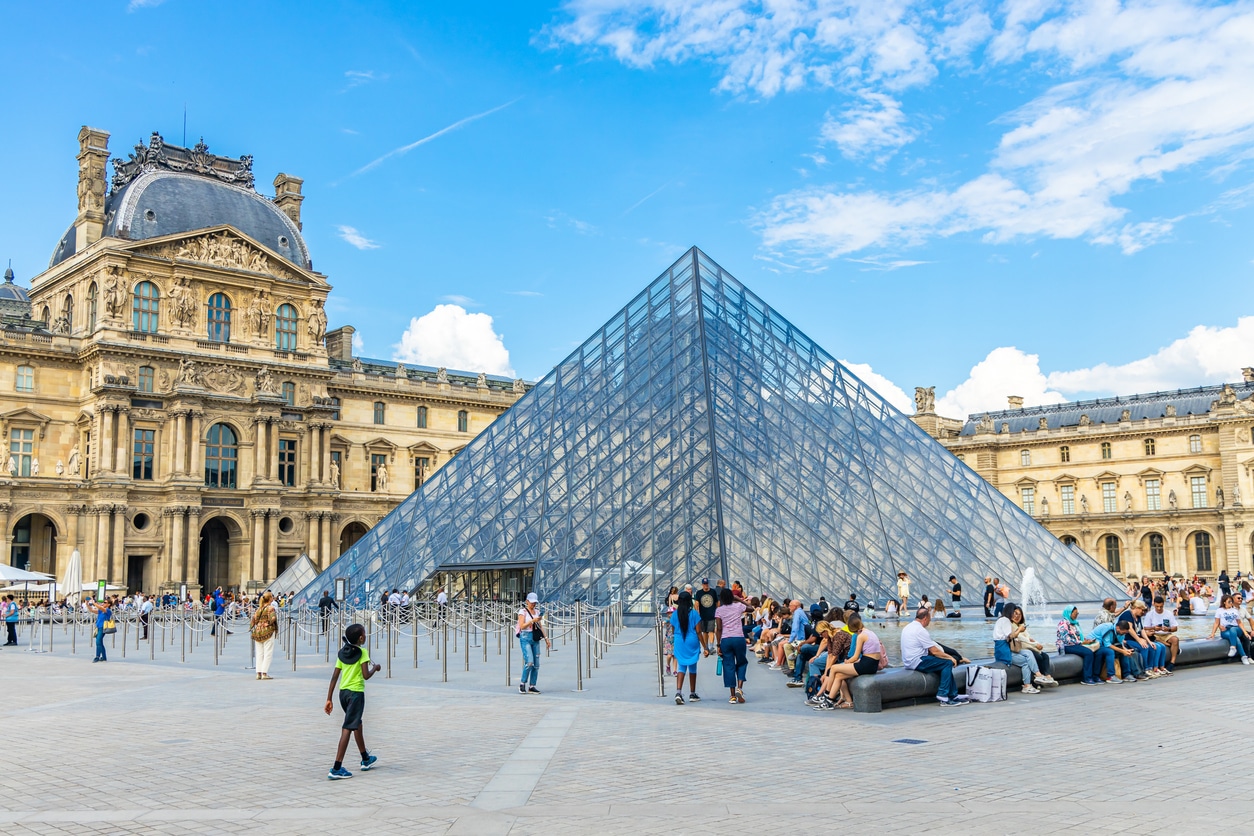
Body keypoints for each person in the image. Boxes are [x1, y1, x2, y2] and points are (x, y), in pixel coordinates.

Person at [324, 623, 381, 779]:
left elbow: (335, 676)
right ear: (361, 638)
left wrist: (329, 698)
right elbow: (365, 675)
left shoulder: (343, 653)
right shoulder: (362, 652)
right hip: (356, 694)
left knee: (357, 724)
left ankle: (365, 758)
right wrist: (375, 668)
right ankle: (336, 767)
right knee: (348, 727)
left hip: (343, 694)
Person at [813, 613, 882, 710]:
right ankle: (830, 701)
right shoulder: (870, 632)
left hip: (866, 664)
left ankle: (826, 694)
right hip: (872, 664)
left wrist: (847, 662)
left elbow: (855, 656)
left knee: (834, 668)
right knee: (838, 676)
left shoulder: (861, 636)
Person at [901, 608, 966, 706]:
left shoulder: (908, 627)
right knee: (947, 663)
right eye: (930, 619)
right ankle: (943, 695)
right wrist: (950, 657)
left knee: (942, 664)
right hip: (918, 661)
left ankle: (953, 694)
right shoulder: (920, 630)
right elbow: (935, 651)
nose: (929, 622)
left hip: (909, 660)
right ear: (925, 618)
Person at [993, 604, 1055, 693]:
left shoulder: (1002, 620)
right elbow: (1011, 636)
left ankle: (1038, 675)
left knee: (1028, 653)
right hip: (1004, 652)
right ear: (1009, 611)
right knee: (1025, 662)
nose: (1015, 615)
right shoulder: (1005, 620)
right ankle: (1027, 685)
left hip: (1006, 649)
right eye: (1014, 613)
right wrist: (1019, 630)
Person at [713, 588, 749, 704]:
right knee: (742, 662)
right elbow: (752, 608)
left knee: (728, 665)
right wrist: (739, 599)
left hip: (726, 639)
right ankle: (740, 688)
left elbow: (718, 628)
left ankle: (732, 695)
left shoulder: (719, 610)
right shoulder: (738, 606)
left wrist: (718, 644)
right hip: (738, 638)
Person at [1118, 599, 1168, 677]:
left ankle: (1151, 668)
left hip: (1135, 639)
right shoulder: (1127, 614)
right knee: (1144, 647)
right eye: (1142, 610)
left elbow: (1142, 630)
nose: (1143, 612)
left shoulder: (1138, 617)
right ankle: (1144, 669)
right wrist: (1139, 640)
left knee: (1151, 646)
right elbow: (1130, 629)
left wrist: (1149, 641)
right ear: (1137, 608)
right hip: (1127, 640)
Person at [1056, 607, 1103, 685]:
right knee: (1088, 653)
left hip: (1076, 644)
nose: (1076, 615)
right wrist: (1082, 642)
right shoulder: (1063, 624)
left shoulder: (1074, 623)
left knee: (1098, 651)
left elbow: (1077, 636)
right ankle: (1086, 678)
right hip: (1066, 646)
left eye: (1077, 613)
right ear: (1069, 613)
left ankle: (1095, 676)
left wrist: (1087, 640)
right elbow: (1067, 640)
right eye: (1075, 613)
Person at [670, 591, 702, 704]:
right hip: (692, 641)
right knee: (693, 667)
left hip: (680, 641)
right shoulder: (694, 614)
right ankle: (692, 693)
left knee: (681, 667)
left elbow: (673, 630)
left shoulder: (675, 614)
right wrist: (705, 646)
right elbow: (698, 631)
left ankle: (678, 692)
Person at [516, 592, 552, 693]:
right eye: (531, 602)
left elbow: (540, 626)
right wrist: (532, 621)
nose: (533, 604)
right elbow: (522, 626)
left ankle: (532, 685)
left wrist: (546, 638)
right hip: (525, 637)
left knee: (536, 664)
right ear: (527, 601)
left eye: (535, 603)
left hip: (535, 638)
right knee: (529, 662)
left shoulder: (536, 612)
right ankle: (522, 683)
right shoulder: (522, 612)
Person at [1207, 594, 1251, 663]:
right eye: (1229, 602)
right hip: (1225, 630)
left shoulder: (1234, 610)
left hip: (1236, 629)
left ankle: (1233, 647)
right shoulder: (1219, 610)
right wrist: (1213, 633)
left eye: (1231, 601)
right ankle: (1244, 657)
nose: (1231, 603)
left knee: (1233, 630)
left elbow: (1239, 623)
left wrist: (1245, 632)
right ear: (1224, 602)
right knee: (1236, 639)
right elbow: (1216, 623)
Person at [1143, 595, 1180, 670]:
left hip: (1166, 634)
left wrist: (1168, 629)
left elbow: (1175, 628)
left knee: (1175, 639)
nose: (1159, 608)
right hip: (1155, 634)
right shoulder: (1150, 614)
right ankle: (1171, 646)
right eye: (1157, 606)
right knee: (1155, 638)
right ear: (1154, 604)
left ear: (1163, 604)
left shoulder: (1168, 613)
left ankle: (1172, 662)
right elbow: (1145, 628)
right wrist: (1154, 628)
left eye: (1161, 606)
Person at [251, 591, 279, 680]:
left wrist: (257, 625)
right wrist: (268, 623)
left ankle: (258, 673)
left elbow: (253, 620)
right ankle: (264, 673)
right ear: (270, 598)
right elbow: (273, 618)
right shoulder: (271, 608)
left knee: (259, 653)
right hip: (268, 632)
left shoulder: (259, 609)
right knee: (268, 653)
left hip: (258, 632)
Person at [693, 579, 719, 656]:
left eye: (706, 584)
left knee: (711, 631)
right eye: (704, 584)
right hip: (703, 615)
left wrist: (717, 611)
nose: (706, 585)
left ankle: (711, 647)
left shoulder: (713, 592)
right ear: (702, 584)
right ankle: (706, 646)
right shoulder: (699, 593)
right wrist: (697, 612)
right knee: (704, 631)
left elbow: (717, 602)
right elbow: (697, 603)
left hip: (711, 614)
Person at [87, 596, 113, 662]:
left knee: (98, 641)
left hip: (103, 627)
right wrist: (87, 604)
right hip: (98, 626)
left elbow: (101, 608)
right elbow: (92, 610)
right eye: (103, 602)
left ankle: (97, 656)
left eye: (105, 602)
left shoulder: (107, 610)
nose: (103, 603)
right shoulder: (101, 610)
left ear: (108, 604)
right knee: (100, 642)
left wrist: (94, 603)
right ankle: (104, 657)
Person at [663, 586, 679, 676]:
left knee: (675, 655)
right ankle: (668, 665)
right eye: (669, 613)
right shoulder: (668, 620)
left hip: (676, 638)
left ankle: (675, 670)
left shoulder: (677, 620)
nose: (670, 614)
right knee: (669, 655)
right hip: (669, 639)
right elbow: (666, 622)